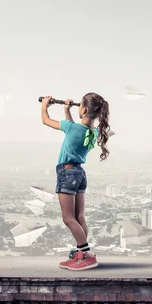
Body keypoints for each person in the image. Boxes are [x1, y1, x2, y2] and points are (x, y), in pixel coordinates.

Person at [40, 93, 110, 271]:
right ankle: (81, 254)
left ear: (84, 109)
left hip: (67, 172)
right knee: (79, 217)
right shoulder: (92, 133)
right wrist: (66, 109)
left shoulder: (71, 127)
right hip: (79, 173)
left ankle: (86, 255)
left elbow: (46, 121)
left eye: (80, 107)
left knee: (68, 218)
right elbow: (73, 129)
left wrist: (45, 105)